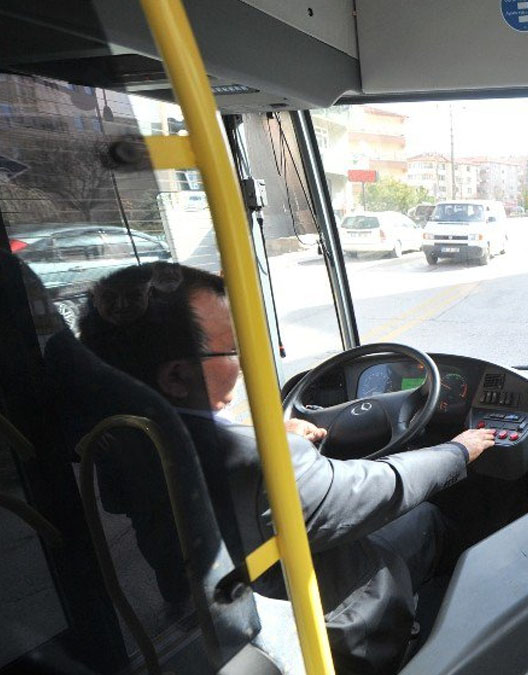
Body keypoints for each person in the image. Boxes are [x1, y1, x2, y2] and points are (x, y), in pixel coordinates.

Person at [79, 261, 494, 674]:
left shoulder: (117, 433)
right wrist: (458, 451)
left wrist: (274, 438)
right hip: (322, 616)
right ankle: (423, 637)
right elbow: (376, 488)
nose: (244, 363)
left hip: (199, 593)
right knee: (426, 517)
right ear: (175, 377)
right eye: (234, 349)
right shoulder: (255, 461)